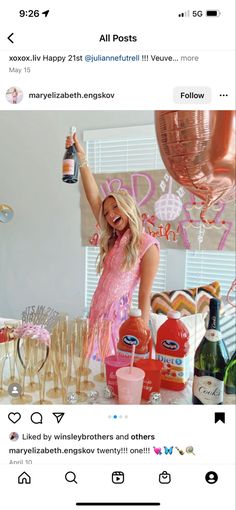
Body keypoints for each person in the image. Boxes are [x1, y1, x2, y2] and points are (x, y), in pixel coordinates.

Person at [66, 134, 160, 357]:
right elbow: (92, 197)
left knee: (107, 370)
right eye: (106, 212)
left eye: (115, 208)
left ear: (127, 208)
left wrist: (143, 335)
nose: (109, 215)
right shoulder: (115, 239)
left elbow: (145, 294)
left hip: (116, 316)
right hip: (97, 311)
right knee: (92, 368)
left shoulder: (148, 245)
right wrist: (82, 158)